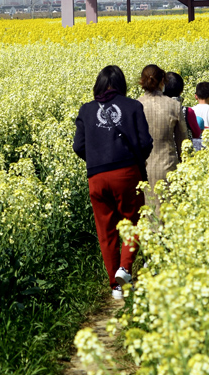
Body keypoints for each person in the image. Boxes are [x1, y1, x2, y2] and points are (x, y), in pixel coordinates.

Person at [72, 65, 153, 301]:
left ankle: (115, 287)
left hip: (96, 177)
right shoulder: (132, 106)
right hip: (127, 174)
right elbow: (145, 142)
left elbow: (78, 146)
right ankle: (124, 269)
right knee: (133, 220)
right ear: (122, 85)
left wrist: (97, 159)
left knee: (105, 230)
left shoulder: (86, 110)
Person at [138, 65, 189, 212]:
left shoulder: (135, 105)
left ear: (142, 82)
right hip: (168, 167)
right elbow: (183, 142)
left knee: (148, 215)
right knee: (168, 215)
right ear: (163, 82)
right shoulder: (174, 105)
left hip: (142, 171)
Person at [163, 71, 203, 151]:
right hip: (184, 156)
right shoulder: (188, 111)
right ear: (181, 91)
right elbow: (197, 134)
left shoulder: (154, 110)